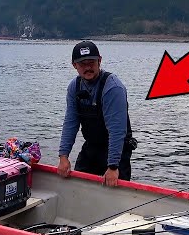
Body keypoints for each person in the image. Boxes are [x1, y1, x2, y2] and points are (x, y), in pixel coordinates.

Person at [57, 40, 136, 187]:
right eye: (83, 64)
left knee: (114, 191)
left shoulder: (113, 88)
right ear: (74, 65)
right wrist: (63, 156)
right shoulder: (74, 87)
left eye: (91, 63)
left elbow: (117, 131)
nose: (88, 67)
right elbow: (70, 123)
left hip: (117, 148)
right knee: (78, 186)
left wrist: (113, 167)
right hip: (92, 146)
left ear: (99, 61)